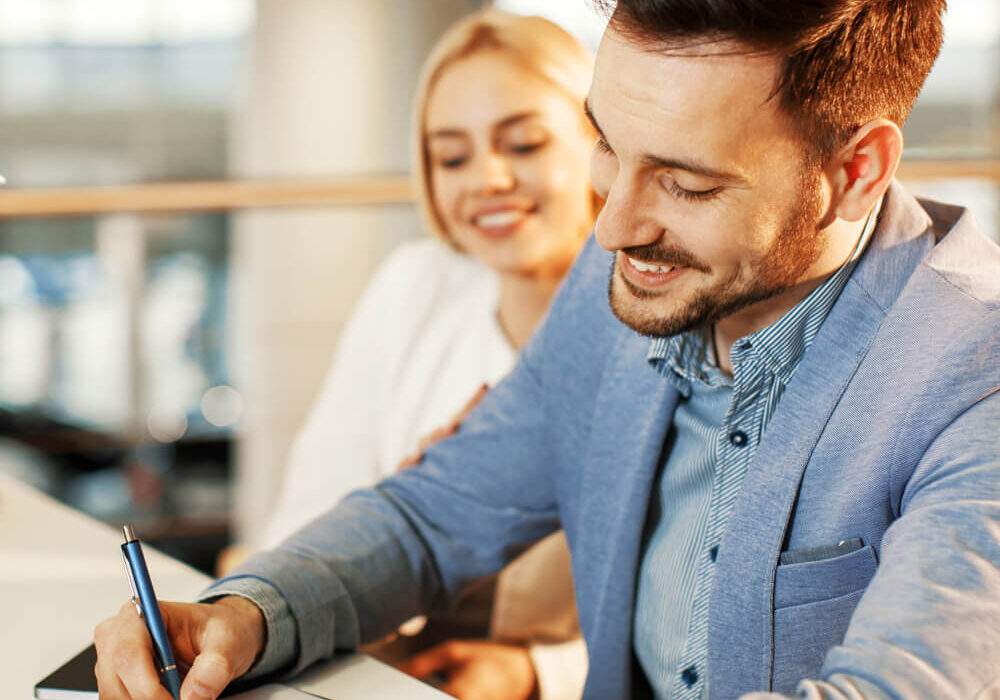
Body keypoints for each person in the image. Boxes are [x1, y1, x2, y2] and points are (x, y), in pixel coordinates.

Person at [94, 1, 1000, 699]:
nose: (611, 226)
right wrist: (250, 611)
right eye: (606, 144)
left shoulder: (974, 377)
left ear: (855, 173)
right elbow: (434, 512)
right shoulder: (632, 283)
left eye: (685, 184)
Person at [219, 10, 597, 700]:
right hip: (374, 669)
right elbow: (314, 509)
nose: (487, 179)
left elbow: (681, 610)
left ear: (598, 140)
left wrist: (538, 673)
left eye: (523, 144)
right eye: (451, 157)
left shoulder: (649, 319)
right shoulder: (415, 286)